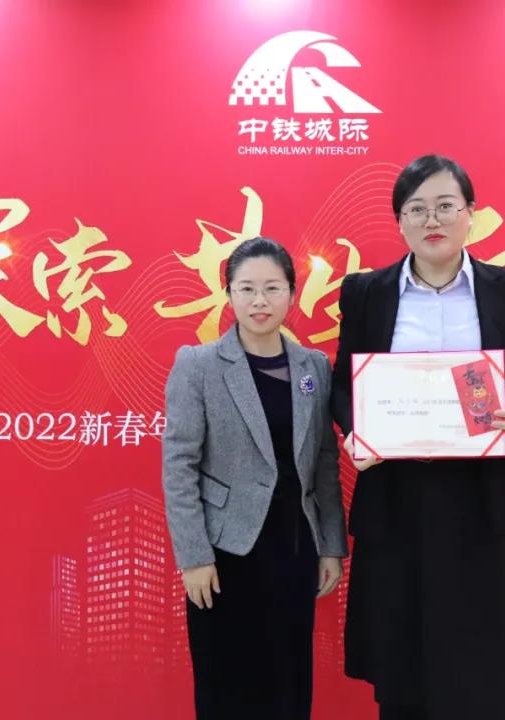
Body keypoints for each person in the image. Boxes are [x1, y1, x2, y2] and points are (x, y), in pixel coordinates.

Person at [331, 155, 505, 720]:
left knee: (484, 666)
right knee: (403, 662)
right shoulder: (367, 293)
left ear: (470, 213)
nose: (433, 220)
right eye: (417, 209)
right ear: (399, 221)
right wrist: (356, 432)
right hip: (398, 499)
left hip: (482, 498)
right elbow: (342, 387)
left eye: (446, 206)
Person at [162, 236, 349, 720]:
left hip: (294, 549)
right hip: (224, 556)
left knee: (288, 683)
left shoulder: (313, 367)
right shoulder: (198, 365)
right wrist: (194, 557)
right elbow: (179, 466)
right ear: (229, 294)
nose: (259, 301)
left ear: (291, 293)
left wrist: (331, 546)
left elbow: (325, 461)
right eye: (246, 289)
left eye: (272, 288)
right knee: (226, 686)